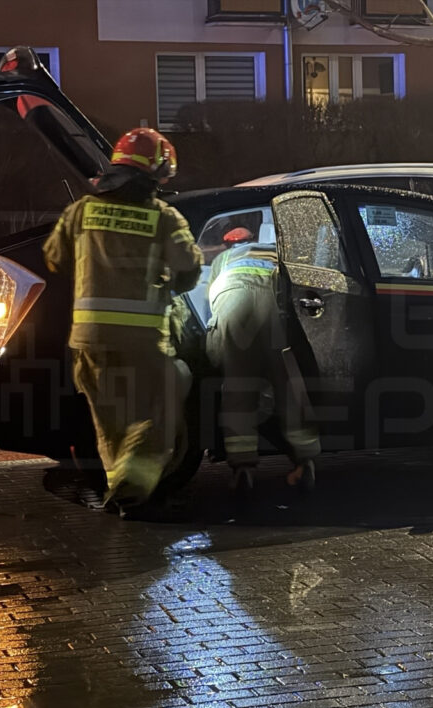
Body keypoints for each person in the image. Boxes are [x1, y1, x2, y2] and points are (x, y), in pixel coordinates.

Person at [43, 127, 202, 516]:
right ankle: (133, 487)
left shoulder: (81, 211)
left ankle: (123, 494)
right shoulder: (163, 217)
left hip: (89, 340)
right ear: (156, 173)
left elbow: (53, 259)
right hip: (142, 341)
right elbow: (189, 270)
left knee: (110, 425)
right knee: (161, 407)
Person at [206, 227, 320, 498]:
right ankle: (305, 459)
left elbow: (210, 302)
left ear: (227, 245)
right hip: (271, 304)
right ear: (252, 240)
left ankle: (242, 465)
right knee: (287, 382)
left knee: (238, 387)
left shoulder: (223, 259)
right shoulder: (272, 251)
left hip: (233, 303)